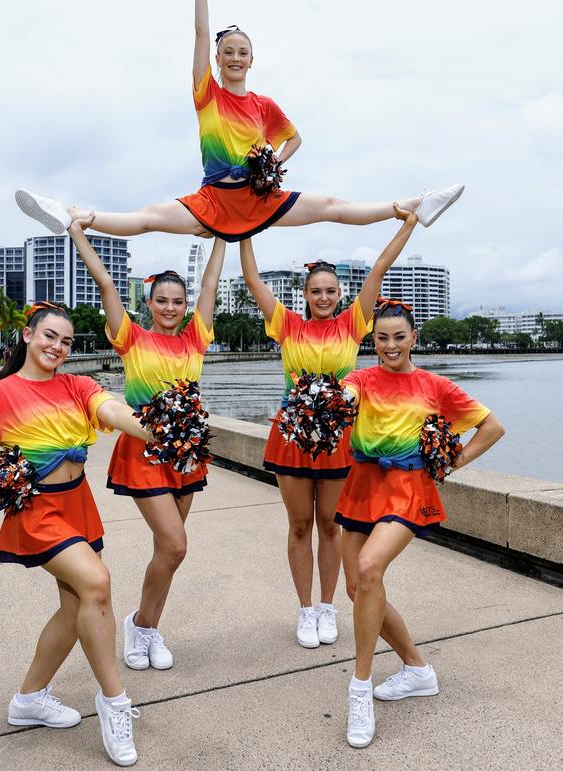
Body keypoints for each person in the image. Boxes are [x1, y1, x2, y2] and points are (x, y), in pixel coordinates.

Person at [15, 0, 463, 241]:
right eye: (227, 51)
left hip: (259, 198)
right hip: (214, 199)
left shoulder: (264, 105)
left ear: (252, 60)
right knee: (149, 216)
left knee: (332, 206)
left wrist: (271, 165)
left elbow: (295, 139)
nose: (234, 57)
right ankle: (70, 212)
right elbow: (199, 30)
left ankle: (413, 204)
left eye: (242, 51)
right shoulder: (205, 93)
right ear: (218, 59)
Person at [0, 302, 158, 767]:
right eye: (50, 336)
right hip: (37, 509)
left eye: (66, 341)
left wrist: (155, 429)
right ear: (28, 335)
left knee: (76, 607)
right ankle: (114, 701)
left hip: (78, 502)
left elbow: (111, 409)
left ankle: (29, 699)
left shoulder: (75, 385)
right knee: (96, 584)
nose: (58, 347)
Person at [240, 205, 418, 649]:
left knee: (330, 525)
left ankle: (326, 606)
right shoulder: (286, 324)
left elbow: (380, 265)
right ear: (304, 294)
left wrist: (409, 223)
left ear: (340, 294)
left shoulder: (353, 324)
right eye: (316, 291)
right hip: (291, 438)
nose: (323, 297)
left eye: (330, 291)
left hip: (339, 439)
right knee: (299, 525)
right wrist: (241, 230)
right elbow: (254, 281)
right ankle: (304, 609)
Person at [335, 300, 504, 749]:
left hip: (409, 488)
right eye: (381, 338)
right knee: (356, 587)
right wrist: (335, 400)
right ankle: (417, 669)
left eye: (399, 336)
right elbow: (347, 393)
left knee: (370, 569)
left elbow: (491, 428)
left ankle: (359, 688)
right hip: (363, 484)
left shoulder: (435, 385)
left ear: (414, 338)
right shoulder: (361, 378)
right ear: (372, 341)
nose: (390, 345)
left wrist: (449, 464)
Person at [67, 216, 225, 673]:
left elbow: (210, 281)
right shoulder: (132, 338)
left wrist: (223, 236)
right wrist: (77, 232)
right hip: (144, 450)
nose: (171, 308)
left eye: (178, 301)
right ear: (150, 303)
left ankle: (145, 627)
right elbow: (106, 282)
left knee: (167, 551)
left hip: (187, 452)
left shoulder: (197, 337)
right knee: (175, 545)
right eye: (162, 301)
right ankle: (141, 623)